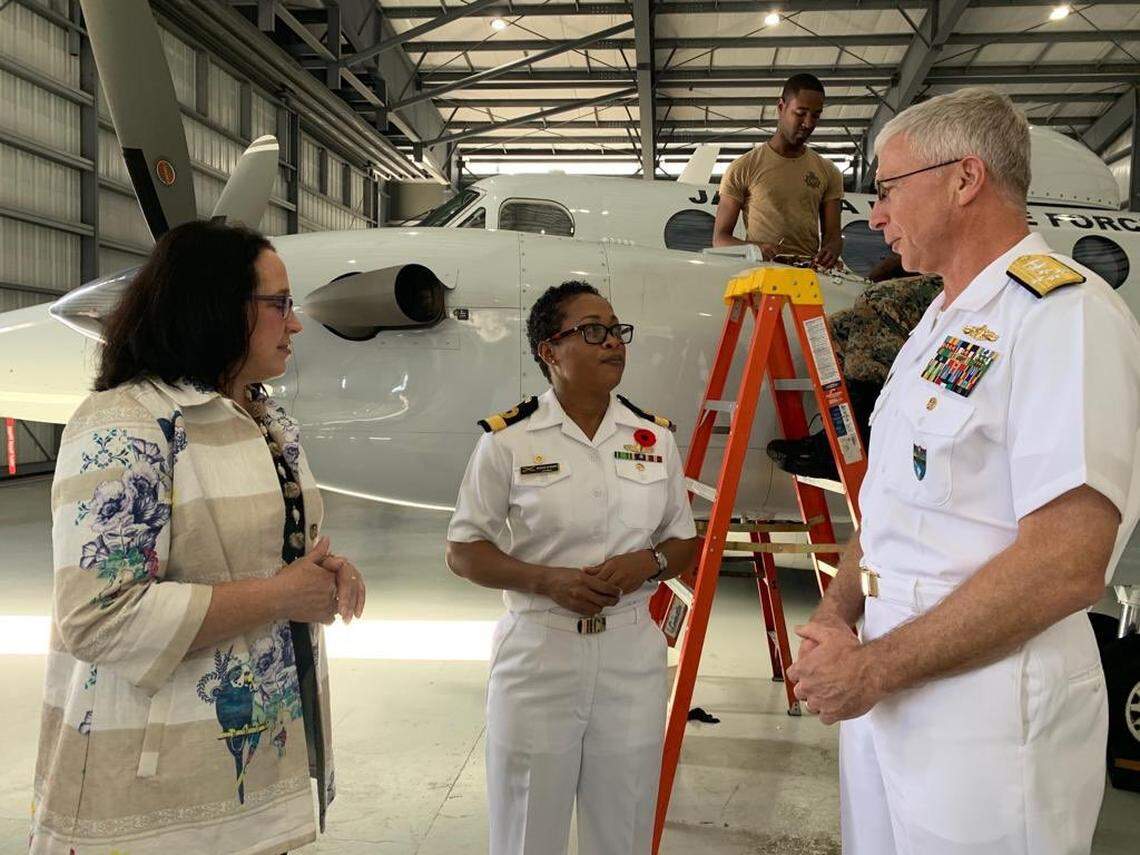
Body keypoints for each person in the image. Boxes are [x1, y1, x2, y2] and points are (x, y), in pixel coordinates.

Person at [785, 87, 1140, 854]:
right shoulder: (940, 322)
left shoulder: (1061, 316)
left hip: (987, 718)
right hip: (886, 694)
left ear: (964, 178)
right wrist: (835, 612)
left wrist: (875, 666)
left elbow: (1068, 563)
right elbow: (892, 511)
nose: (874, 217)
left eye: (887, 189)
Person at [31, 221, 366, 854]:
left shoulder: (266, 420)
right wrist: (280, 596)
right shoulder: (123, 423)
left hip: (257, 762)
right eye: (280, 304)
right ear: (217, 307)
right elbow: (98, 616)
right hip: (155, 791)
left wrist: (320, 572)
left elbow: (255, 557)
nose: (295, 324)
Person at [445, 281, 699, 855]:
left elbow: (684, 540)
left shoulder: (653, 438)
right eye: (592, 330)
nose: (613, 342)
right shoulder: (508, 441)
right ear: (549, 351)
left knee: (625, 825)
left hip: (631, 654)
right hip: (540, 653)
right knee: (528, 825)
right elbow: (463, 549)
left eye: (615, 330)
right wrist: (546, 580)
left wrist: (650, 563)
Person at [766, 254, 943, 478]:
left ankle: (853, 442)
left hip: (975, 277)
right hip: (943, 275)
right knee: (837, 327)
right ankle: (849, 435)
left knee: (878, 301)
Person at [712, 72, 844, 269]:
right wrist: (756, 249)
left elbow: (833, 236)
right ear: (781, 107)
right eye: (800, 113)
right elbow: (720, 239)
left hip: (809, 277)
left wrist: (831, 250)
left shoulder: (828, 171)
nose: (808, 123)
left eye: (815, 116)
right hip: (761, 274)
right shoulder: (743, 168)